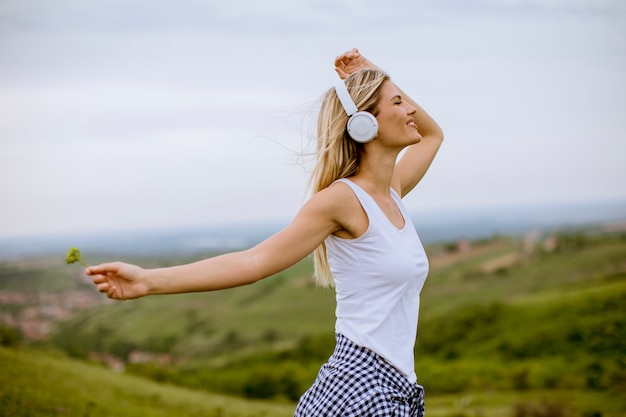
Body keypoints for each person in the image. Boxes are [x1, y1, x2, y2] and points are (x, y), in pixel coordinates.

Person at [86, 47, 443, 417]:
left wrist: (372, 74)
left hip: (399, 387)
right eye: (398, 102)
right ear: (365, 123)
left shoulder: (392, 193)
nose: (411, 109)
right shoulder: (341, 201)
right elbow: (254, 260)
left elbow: (434, 135)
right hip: (361, 386)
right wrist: (148, 281)